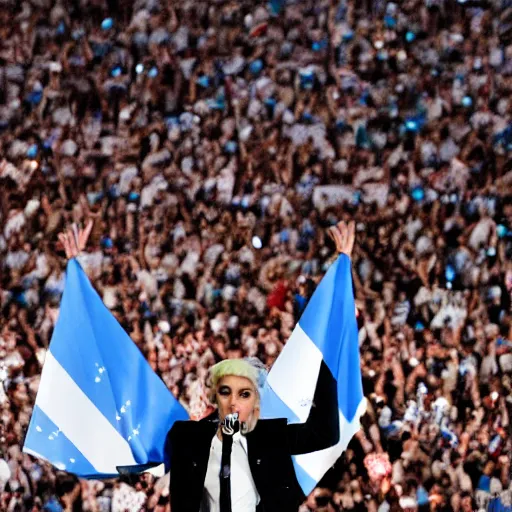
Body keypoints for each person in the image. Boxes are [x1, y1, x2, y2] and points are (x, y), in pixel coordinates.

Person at [57, 219, 356, 512]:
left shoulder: (265, 437)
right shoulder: (187, 437)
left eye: (245, 393)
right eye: (229, 391)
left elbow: (324, 434)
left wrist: (326, 356)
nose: (236, 401)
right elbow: (123, 387)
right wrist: (78, 276)